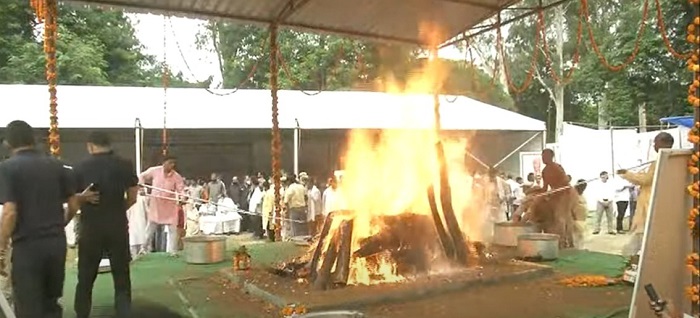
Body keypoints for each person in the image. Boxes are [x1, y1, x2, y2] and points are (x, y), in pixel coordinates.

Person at [0, 120, 97, 317]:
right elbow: (74, 204)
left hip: (27, 246)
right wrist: (61, 224)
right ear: (33, 140)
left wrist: (1, 248)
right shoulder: (57, 165)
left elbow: (10, 211)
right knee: (51, 303)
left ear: (8, 143)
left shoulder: (7, 168)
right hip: (55, 243)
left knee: (28, 305)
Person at [72, 131, 138, 318]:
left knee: (85, 277)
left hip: (91, 228)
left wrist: (84, 199)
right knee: (121, 277)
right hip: (117, 226)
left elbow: (73, 200)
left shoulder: (81, 167)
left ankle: (82, 314)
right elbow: (133, 197)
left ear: (90, 146)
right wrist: (117, 209)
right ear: (110, 144)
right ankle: (124, 313)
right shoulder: (125, 164)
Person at [617, 132, 674, 257]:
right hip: (660, 203)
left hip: (649, 204)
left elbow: (645, 180)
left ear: (664, 143)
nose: (654, 145)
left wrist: (626, 174)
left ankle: (630, 265)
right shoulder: (672, 159)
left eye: (655, 142)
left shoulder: (660, 161)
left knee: (640, 239)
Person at [139, 155, 186, 256]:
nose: (171, 165)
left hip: (169, 206)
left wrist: (182, 198)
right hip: (156, 205)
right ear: (164, 162)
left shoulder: (176, 176)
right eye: (169, 163)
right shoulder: (154, 171)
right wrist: (142, 188)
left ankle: (173, 251)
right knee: (150, 230)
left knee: (173, 230)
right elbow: (141, 176)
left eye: (173, 163)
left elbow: (181, 189)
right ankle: (143, 249)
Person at [540, 148, 576, 248]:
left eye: (545, 156)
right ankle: (562, 240)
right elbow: (545, 187)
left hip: (565, 193)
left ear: (550, 157)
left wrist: (555, 189)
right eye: (542, 156)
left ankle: (566, 242)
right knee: (557, 218)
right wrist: (539, 194)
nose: (543, 158)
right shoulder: (544, 171)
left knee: (562, 218)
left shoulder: (556, 167)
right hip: (555, 195)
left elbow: (565, 181)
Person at [592, 171, 616, 235]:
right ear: (601, 177)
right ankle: (596, 229)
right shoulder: (597, 184)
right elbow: (596, 193)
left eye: (606, 176)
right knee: (598, 216)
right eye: (603, 176)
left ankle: (610, 230)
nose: (605, 177)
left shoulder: (611, 183)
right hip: (600, 202)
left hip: (609, 201)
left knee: (610, 217)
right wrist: (602, 201)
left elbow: (613, 192)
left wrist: (609, 201)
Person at [572, 179, 589, 249]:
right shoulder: (573, 194)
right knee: (575, 237)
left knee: (581, 236)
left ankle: (580, 250)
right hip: (576, 219)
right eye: (582, 186)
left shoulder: (582, 195)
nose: (584, 188)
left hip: (582, 219)